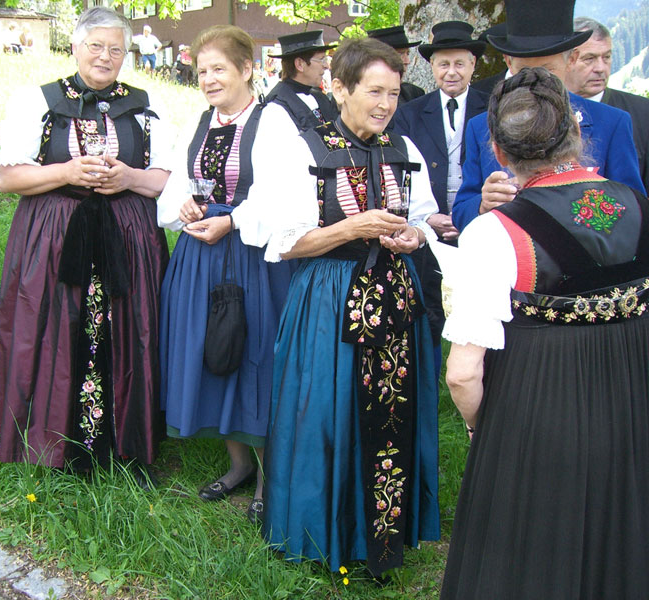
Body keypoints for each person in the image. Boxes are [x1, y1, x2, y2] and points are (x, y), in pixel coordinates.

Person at [439, 66, 649, 600]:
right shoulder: (638, 205)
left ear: (501, 154)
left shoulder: (493, 232)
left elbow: (463, 373)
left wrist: (482, 430)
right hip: (633, 403)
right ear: (577, 137)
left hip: (537, 411)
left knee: (530, 550)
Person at [262, 37, 440, 577]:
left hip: (396, 294)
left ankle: (384, 534)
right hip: (329, 298)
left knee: (395, 407)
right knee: (327, 411)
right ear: (337, 88)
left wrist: (413, 234)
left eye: (393, 92)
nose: (386, 103)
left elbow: (426, 218)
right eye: (374, 91)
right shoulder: (302, 149)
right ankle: (325, 532)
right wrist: (351, 228)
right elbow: (284, 242)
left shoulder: (403, 149)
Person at [0, 7, 173, 483]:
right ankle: (53, 441)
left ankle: (125, 441)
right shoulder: (41, 101)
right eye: (96, 46)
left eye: (116, 49)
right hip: (55, 234)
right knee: (54, 326)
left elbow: (163, 180)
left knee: (127, 330)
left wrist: (130, 177)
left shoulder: (144, 104)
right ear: (75, 47)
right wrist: (67, 173)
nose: (106, 57)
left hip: (125, 236)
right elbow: (9, 179)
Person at [157, 24, 300, 524]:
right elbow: (175, 184)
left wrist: (232, 219)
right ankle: (237, 464)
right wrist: (187, 206)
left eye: (219, 68)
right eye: (202, 71)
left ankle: (267, 476)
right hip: (202, 255)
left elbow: (284, 192)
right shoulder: (201, 121)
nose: (209, 79)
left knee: (254, 355)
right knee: (215, 354)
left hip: (253, 257)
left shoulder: (272, 120)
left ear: (246, 69)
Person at [451, 0, 645, 232]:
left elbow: (634, 210)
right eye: (523, 72)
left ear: (570, 60)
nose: (535, 82)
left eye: (547, 71)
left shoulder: (612, 123)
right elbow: (460, 213)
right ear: (507, 61)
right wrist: (482, 203)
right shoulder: (480, 125)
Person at [393, 21, 488, 376]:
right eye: (443, 64)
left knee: (483, 301)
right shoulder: (409, 112)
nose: (451, 72)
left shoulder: (492, 107)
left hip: (481, 219)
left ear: (473, 66)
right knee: (429, 300)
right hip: (428, 221)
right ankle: (429, 377)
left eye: (459, 64)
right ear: (431, 67)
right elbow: (400, 170)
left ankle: (485, 373)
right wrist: (427, 217)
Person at [568, 17, 649, 192]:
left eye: (607, 57)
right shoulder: (545, 111)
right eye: (589, 59)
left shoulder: (643, 113)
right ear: (568, 59)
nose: (600, 68)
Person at [264, 30, 338, 131]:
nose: (326, 66)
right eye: (321, 59)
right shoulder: (276, 105)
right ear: (299, 64)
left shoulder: (319, 96)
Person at [367, 25, 425, 104]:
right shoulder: (362, 95)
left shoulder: (414, 94)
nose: (407, 61)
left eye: (407, 54)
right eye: (400, 54)